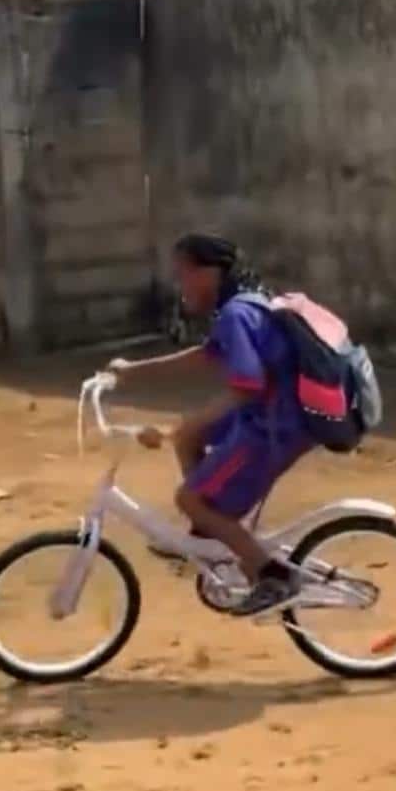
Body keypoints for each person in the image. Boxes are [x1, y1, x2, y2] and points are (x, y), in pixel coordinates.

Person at [108, 234, 314, 617]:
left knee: (189, 497)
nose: (180, 284)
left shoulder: (237, 314)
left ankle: (272, 577)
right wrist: (133, 371)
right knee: (192, 437)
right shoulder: (241, 307)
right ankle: (209, 533)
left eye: (185, 274)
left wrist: (174, 429)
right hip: (276, 414)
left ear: (210, 273)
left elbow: (246, 386)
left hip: (275, 427)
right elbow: (206, 356)